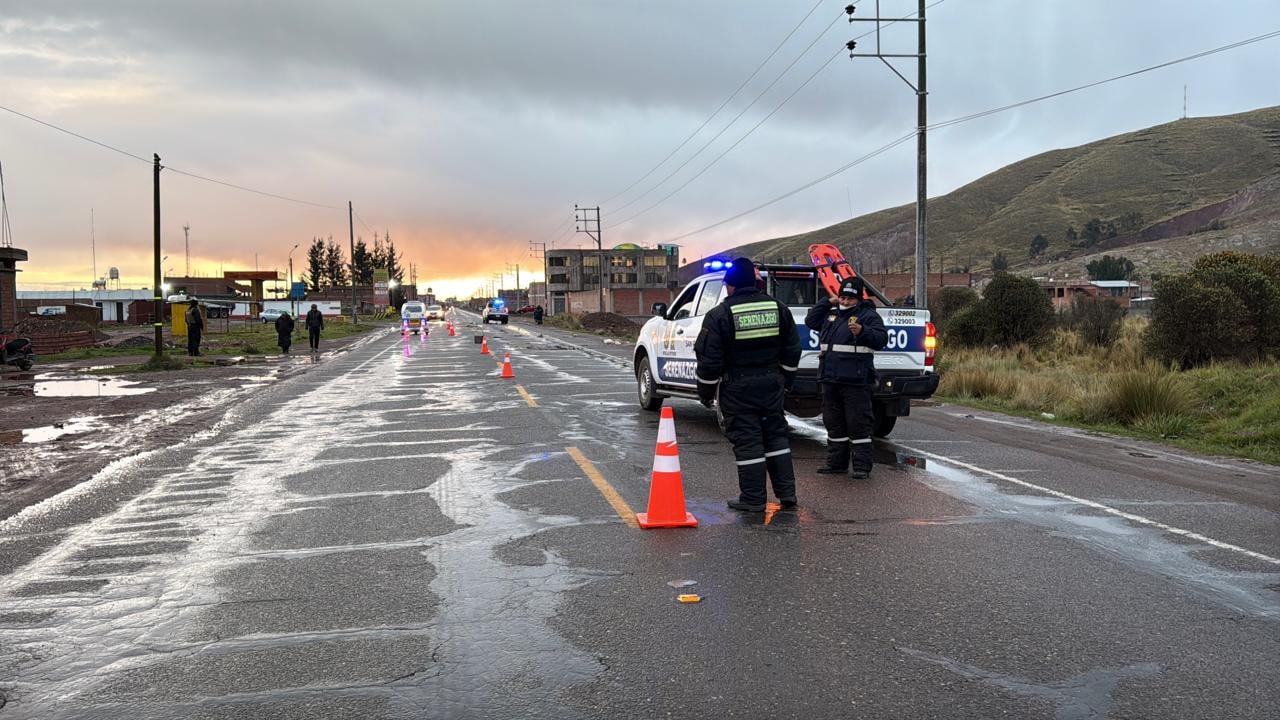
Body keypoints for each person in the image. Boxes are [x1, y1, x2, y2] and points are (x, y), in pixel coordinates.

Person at [694, 257, 801, 512]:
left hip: (738, 389)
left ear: (730, 286)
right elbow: (793, 348)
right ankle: (787, 494)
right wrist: (786, 380)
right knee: (776, 437)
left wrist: (706, 393)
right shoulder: (778, 308)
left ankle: (753, 499)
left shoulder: (719, 315)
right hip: (772, 385)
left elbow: (709, 361)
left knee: (748, 440)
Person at [804, 276, 888, 479]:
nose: (845, 302)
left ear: (858, 299)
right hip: (830, 379)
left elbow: (881, 339)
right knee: (834, 423)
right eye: (842, 297)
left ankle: (861, 467)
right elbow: (810, 321)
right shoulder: (831, 314)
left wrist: (863, 331)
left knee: (858, 424)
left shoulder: (868, 316)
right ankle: (836, 464)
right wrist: (826, 301)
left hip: (856, 381)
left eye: (849, 299)